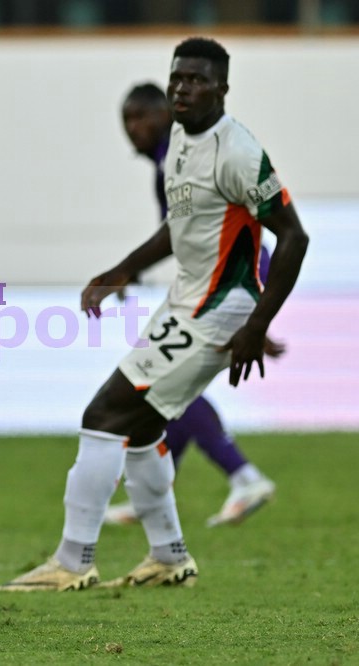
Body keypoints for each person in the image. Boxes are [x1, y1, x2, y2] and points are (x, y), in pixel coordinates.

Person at [0, 37, 308, 592]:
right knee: (142, 427)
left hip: (219, 307)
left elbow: (293, 237)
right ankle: (168, 556)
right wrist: (122, 269)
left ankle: (72, 561)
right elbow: (180, 227)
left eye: (197, 79)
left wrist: (256, 324)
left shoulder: (238, 151)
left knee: (104, 414)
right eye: (177, 78)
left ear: (222, 88)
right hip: (187, 301)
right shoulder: (180, 143)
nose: (183, 88)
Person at [105, 82, 280, 528]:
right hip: (232, 281)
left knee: (162, 383)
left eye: (141, 116)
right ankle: (153, 496)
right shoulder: (169, 161)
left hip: (231, 281)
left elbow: (183, 232)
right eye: (127, 119)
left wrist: (124, 270)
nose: (133, 127)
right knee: (174, 392)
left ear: (164, 115)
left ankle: (243, 476)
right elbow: (184, 234)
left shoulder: (179, 157)